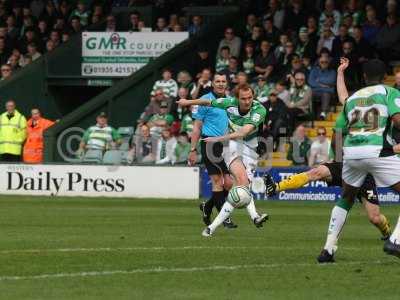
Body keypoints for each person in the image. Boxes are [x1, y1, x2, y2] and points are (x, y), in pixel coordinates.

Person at [316, 58, 400, 262]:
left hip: (351, 153)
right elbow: (398, 119)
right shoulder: (390, 93)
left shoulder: (353, 98)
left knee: (346, 198)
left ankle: (328, 250)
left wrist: (338, 160)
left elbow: (338, 130)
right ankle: (395, 241)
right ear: (385, 77)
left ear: (364, 77)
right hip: (378, 150)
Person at [177, 83, 269, 237]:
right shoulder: (229, 103)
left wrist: (217, 138)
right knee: (240, 180)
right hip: (232, 145)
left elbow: (243, 132)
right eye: (243, 98)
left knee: (243, 187)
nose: (247, 101)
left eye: (250, 98)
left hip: (251, 150)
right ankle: (255, 217)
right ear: (236, 99)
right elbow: (207, 102)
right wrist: (188, 102)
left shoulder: (259, 110)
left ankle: (211, 227)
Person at [189, 72, 236, 228]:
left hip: (224, 145)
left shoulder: (229, 101)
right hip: (209, 143)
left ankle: (207, 207)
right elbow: (196, 127)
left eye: (224, 81)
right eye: (218, 81)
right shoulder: (205, 100)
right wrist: (193, 149)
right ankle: (224, 217)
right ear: (213, 83)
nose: (221, 83)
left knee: (228, 183)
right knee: (218, 182)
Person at [308, 56, 336, 120]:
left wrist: (318, 81)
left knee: (326, 94)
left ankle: (323, 114)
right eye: (322, 62)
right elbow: (310, 82)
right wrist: (324, 86)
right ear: (319, 62)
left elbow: (330, 80)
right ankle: (311, 113)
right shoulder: (314, 70)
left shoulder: (332, 72)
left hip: (327, 93)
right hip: (316, 91)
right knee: (308, 93)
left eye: (326, 62)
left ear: (328, 62)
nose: (324, 63)